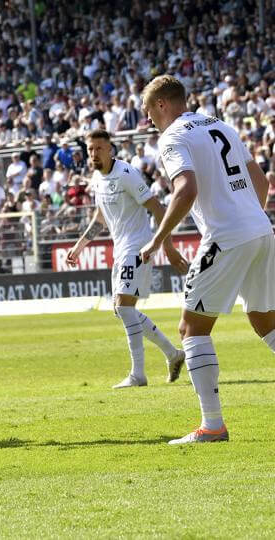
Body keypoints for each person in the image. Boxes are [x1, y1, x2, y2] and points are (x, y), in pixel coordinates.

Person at [138, 75, 275, 444]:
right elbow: (260, 182)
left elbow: (186, 188)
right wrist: (247, 218)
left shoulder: (173, 137)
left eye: (149, 111)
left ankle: (212, 425)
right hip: (261, 230)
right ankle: (211, 425)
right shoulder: (222, 126)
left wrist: (158, 239)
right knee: (266, 322)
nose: (149, 120)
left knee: (191, 329)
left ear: (162, 105)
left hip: (227, 237)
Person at [66, 129, 189, 389]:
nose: (94, 154)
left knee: (123, 307)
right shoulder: (98, 179)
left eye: (99, 149)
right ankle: (173, 354)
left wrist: (165, 245)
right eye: (90, 150)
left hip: (138, 247)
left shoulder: (127, 174)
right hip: (121, 249)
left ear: (111, 150)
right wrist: (79, 246)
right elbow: (100, 218)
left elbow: (157, 208)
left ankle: (138, 374)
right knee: (123, 310)